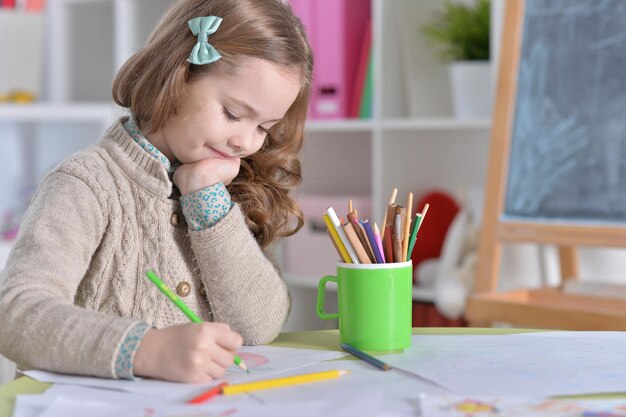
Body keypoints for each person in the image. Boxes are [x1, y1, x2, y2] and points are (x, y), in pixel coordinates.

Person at [0, 0, 312, 383]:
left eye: (264, 127)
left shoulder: (225, 188)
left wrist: (205, 197)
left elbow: (259, 327)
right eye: (233, 113)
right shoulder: (86, 183)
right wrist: (146, 350)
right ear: (178, 74)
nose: (246, 142)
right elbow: (16, 314)